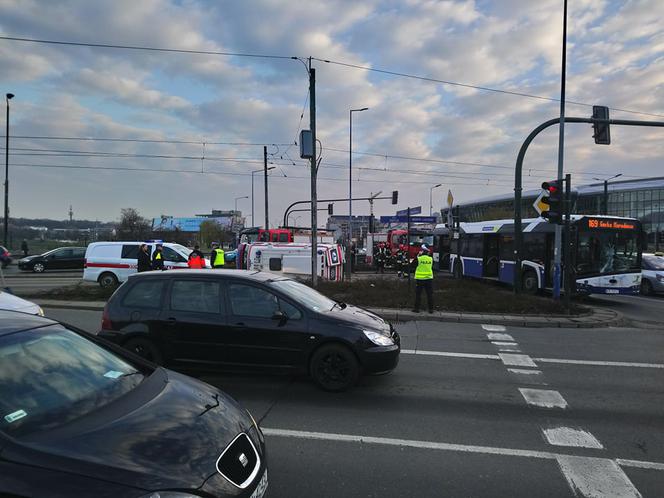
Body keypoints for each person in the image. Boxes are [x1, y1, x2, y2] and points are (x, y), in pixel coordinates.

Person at [412, 244, 434, 314]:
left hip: (420, 279)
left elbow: (412, 265)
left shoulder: (419, 258)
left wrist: (418, 256)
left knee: (418, 295)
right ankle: (431, 309)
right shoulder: (430, 259)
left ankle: (416, 309)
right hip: (429, 279)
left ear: (422, 251)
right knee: (429, 295)